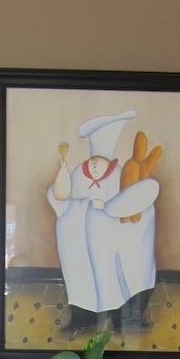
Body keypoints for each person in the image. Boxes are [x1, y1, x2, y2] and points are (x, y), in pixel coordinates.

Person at [47, 110, 160, 331]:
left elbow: (129, 203)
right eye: (92, 162)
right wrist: (78, 206)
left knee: (123, 276)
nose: (94, 166)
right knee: (84, 279)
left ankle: (126, 317)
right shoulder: (79, 173)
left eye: (98, 161)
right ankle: (85, 317)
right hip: (82, 247)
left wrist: (107, 209)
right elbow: (65, 200)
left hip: (114, 242)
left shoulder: (120, 174)